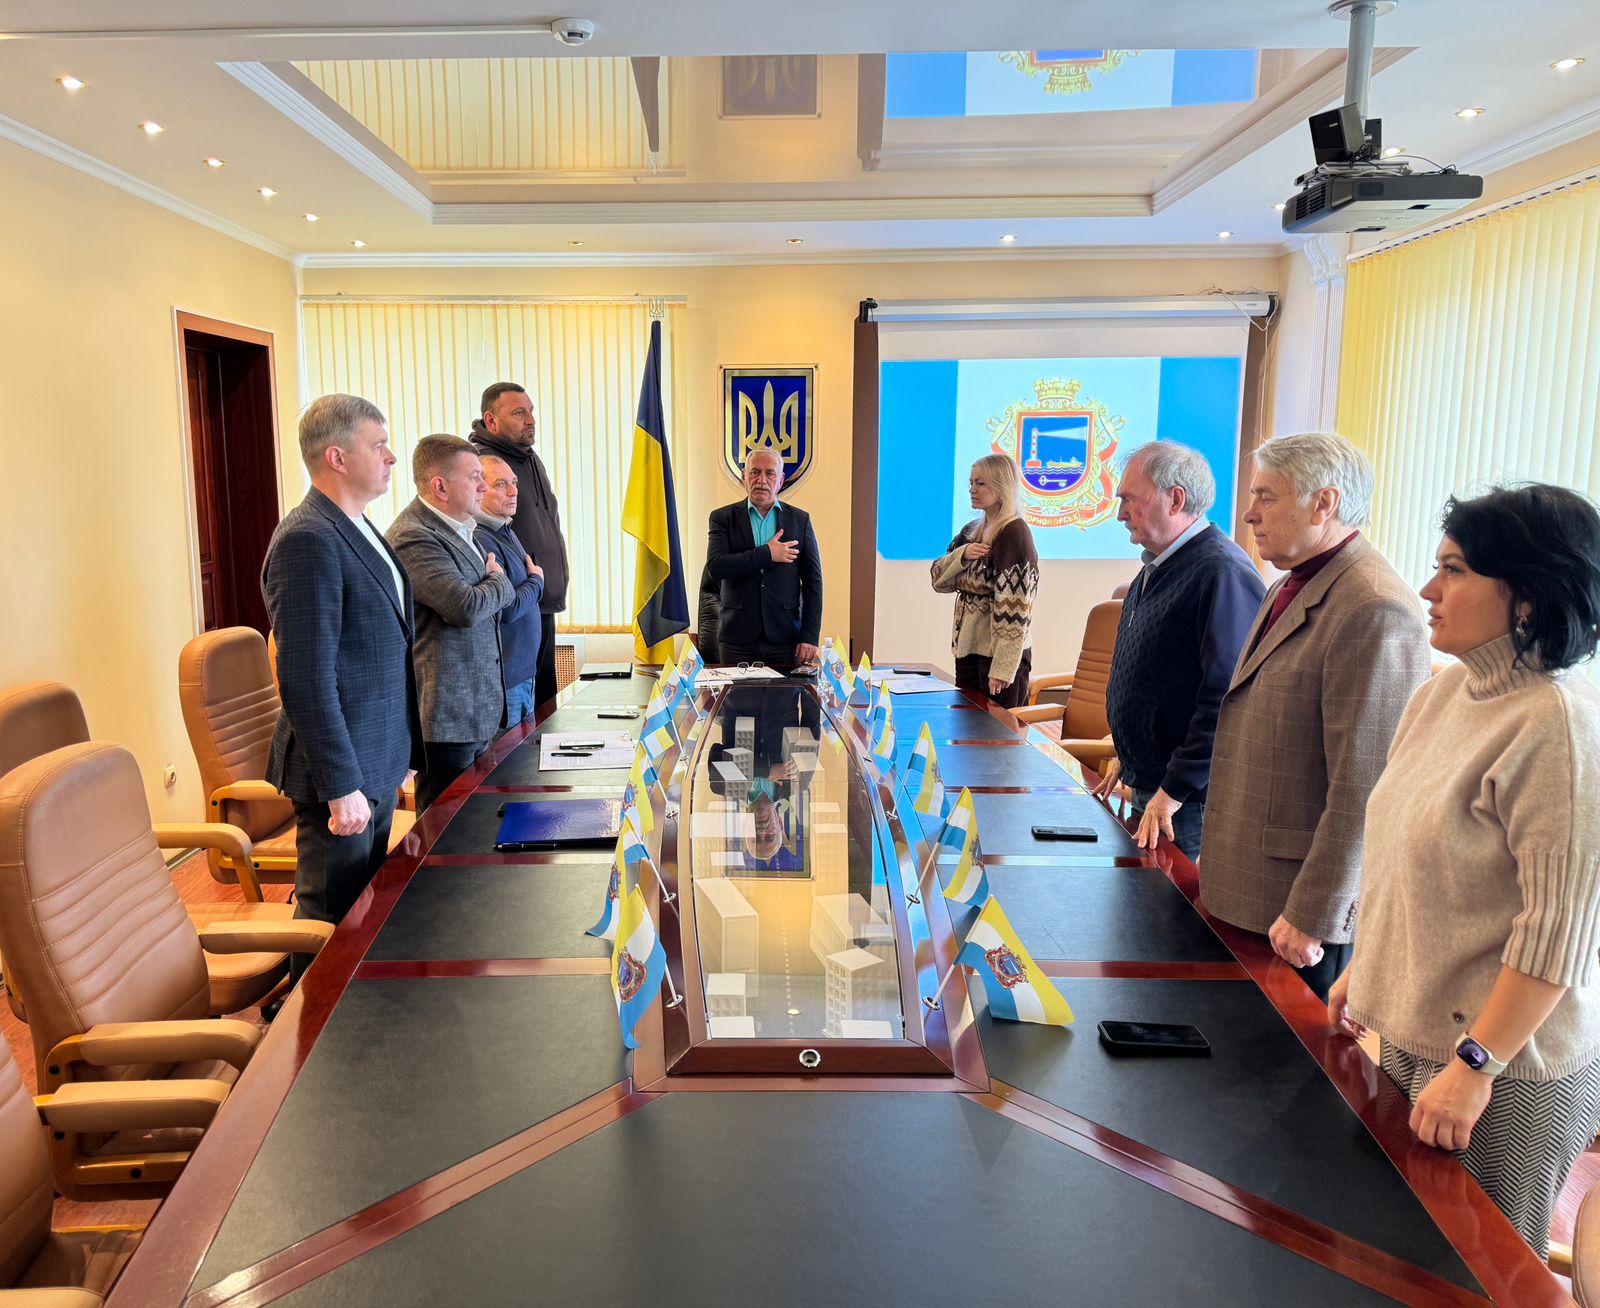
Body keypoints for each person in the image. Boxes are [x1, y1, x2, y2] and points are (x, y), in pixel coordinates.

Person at [1329, 484, 1600, 1255]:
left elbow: (1556, 938)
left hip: (1506, 1074)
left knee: (1474, 1277)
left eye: (1453, 570)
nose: (1427, 589)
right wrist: (1369, 969)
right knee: (1397, 1258)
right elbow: (1402, 853)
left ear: (1528, 596)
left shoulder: (1561, 728)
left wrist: (1477, 1066)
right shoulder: (1444, 692)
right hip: (1416, 1038)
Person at [1199, 433, 1430, 1001]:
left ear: (1324, 504)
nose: (1249, 513)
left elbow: (1366, 784)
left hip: (1295, 910)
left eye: (1266, 497)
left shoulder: (1375, 607)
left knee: (1278, 1056)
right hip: (1246, 879)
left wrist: (1317, 913)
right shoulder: (1290, 582)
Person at [261, 393, 424, 963]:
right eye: (378, 446)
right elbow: (305, 678)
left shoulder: (358, 526)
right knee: (329, 916)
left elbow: (381, 653)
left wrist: (401, 750)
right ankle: (304, 1018)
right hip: (341, 772)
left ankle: (348, 1013)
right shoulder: (307, 538)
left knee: (363, 911)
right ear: (337, 456)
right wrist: (340, 785)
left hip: (374, 755)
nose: (392, 457)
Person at [1091, 441, 1264, 860]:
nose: (1120, 514)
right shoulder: (1156, 566)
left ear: (1176, 499)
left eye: (1129, 499)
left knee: (1173, 903)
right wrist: (1130, 754)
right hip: (1153, 784)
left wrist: (1173, 789)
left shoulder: (1222, 573)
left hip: (1185, 803)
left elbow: (1226, 699)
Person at [386, 435, 515, 812]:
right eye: (474, 477)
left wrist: (491, 585)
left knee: (476, 825)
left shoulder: (463, 528)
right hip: (447, 720)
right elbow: (465, 607)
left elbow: (481, 601)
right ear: (440, 486)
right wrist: (499, 579)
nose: (483, 487)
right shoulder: (412, 536)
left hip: (477, 711)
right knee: (444, 834)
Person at [469, 382, 569, 709]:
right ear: (491, 420)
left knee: (545, 706)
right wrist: (533, 583)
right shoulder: (484, 465)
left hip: (540, 599)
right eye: (518, 413)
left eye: (531, 411)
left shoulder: (527, 458)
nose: (530, 420)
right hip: (519, 604)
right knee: (526, 715)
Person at [929, 454, 1040, 708]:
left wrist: (1002, 667)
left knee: (998, 729)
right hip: (968, 649)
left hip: (998, 657)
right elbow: (938, 579)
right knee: (967, 724)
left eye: (981, 483)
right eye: (971, 482)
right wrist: (962, 555)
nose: (972, 489)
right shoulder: (972, 531)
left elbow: (1016, 609)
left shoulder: (1014, 533)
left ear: (1001, 486)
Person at [706, 447, 824, 671]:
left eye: (770, 473)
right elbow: (716, 567)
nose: (761, 480)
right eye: (755, 472)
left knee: (785, 696)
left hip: (785, 638)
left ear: (780, 480)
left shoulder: (800, 520)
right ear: (744, 476)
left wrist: (809, 636)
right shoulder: (722, 518)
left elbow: (813, 583)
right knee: (736, 696)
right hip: (736, 639)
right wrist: (767, 554)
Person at [474, 454, 546, 728]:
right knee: (510, 755)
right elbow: (507, 607)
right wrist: (536, 582)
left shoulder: (504, 528)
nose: (514, 491)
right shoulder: (482, 537)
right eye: (501, 484)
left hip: (523, 676)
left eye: (514, 482)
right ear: (479, 488)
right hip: (508, 683)